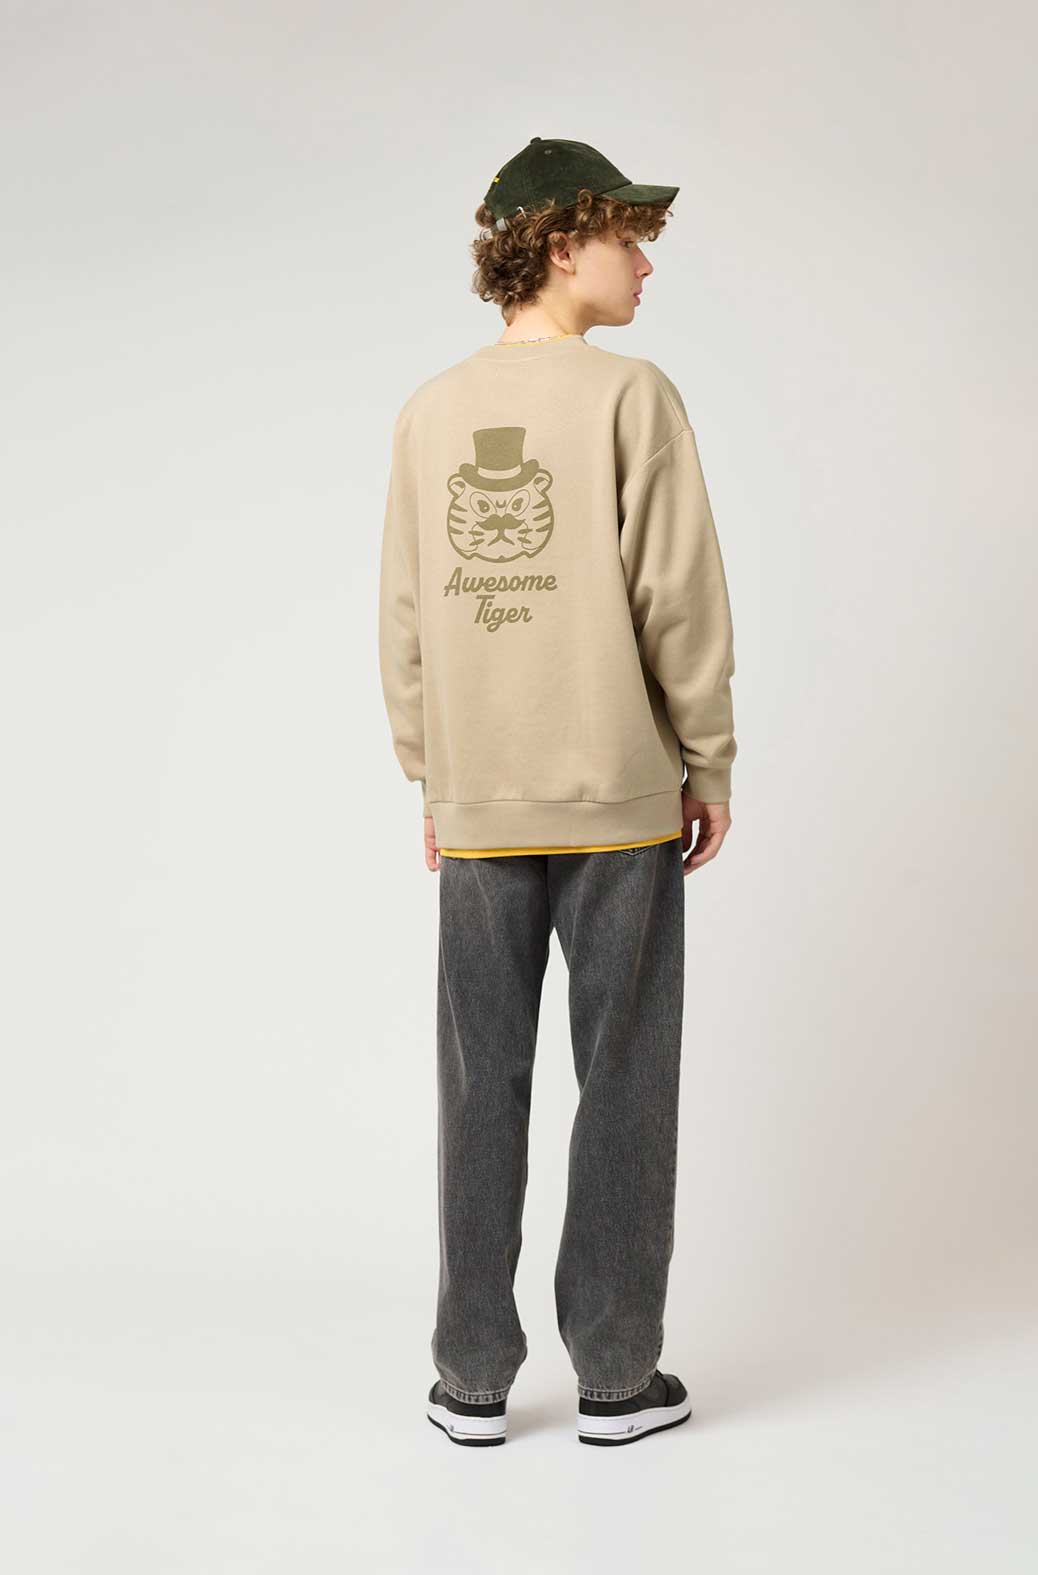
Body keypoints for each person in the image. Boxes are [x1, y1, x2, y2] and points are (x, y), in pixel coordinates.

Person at [378, 136, 737, 1447]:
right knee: (625, 1075)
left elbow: (408, 620)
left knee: (481, 1083)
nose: (644, 263)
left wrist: (436, 779)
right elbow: (677, 599)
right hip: (619, 798)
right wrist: (709, 759)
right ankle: (616, 1377)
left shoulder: (429, 411)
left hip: (481, 804)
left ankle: (470, 1376)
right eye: (626, 238)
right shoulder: (631, 396)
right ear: (561, 244)